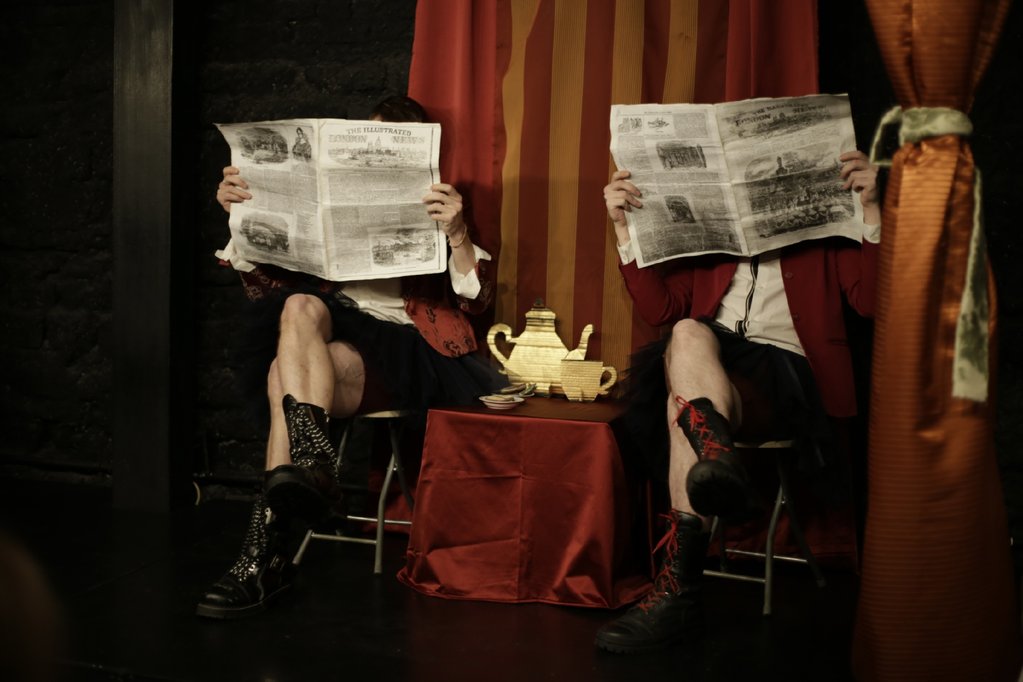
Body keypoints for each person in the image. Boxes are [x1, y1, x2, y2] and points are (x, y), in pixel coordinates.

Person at [196, 95, 503, 619]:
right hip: (332, 330)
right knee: (297, 305)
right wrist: (242, 214)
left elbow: (475, 301)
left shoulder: (442, 202)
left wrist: (457, 234)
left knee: (280, 374)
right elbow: (261, 285)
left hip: (403, 346)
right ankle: (315, 467)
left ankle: (261, 558)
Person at [594, 150, 880, 654]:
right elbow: (662, 308)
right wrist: (624, 229)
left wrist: (872, 208)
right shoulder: (712, 239)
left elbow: (870, 300)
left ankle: (677, 593)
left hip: (786, 374)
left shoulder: (825, 231)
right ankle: (717, 457)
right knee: (686, 331)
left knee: (683, 404)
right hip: (713, 365)